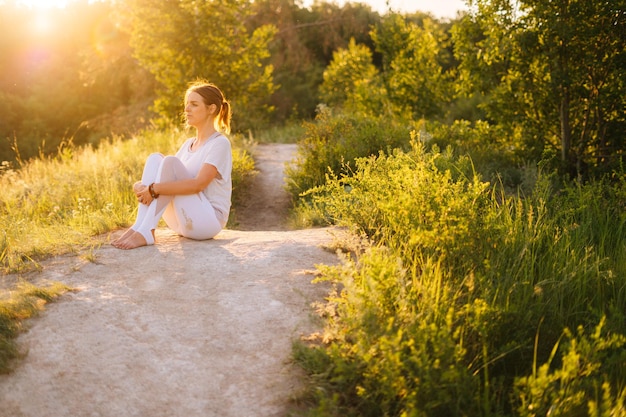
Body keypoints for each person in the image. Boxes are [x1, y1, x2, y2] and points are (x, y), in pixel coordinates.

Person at [112, 81, 232, 250]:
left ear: (211, 109)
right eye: (187, 104)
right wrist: (142, 186)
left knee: (169, 162)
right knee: (156, 159)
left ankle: (146, 230)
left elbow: (198, 185)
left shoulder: (219, 144)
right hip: (181, 222)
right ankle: (140, 226)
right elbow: (166, 177)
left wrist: (153, 189)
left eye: (194, 104)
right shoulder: (188, 143)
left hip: (207, 222)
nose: (187, 109)